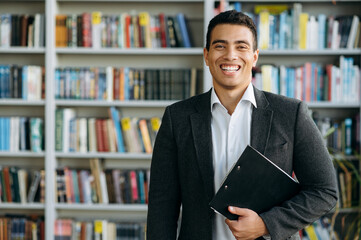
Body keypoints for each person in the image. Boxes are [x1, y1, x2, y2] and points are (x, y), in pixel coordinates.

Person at [147, 10, 338, 240]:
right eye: (220, 46)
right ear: (206, 55)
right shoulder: (176, 118)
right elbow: (161, 207)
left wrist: (266, 224)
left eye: (241, 46)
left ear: (255, 56)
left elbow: (324, 191)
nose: (230, 55)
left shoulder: (291, 113)